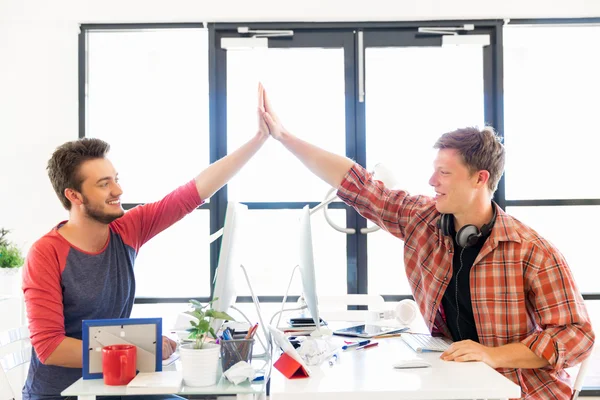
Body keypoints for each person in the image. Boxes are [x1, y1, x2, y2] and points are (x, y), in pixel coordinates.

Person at [259, 87, 595, 399]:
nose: (432, 181)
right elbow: (359, 185)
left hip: (522, 391)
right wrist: (284, 137)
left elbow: (577, 335)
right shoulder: (423, 219)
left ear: (480, 179)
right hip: (461, 380)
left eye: (444, 173)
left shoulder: (531, 250)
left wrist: (492, 355)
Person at [21, 86, 271, 400]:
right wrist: (141, 350)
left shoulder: (127, 229)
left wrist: (258, 140)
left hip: (116, 384)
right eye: (104, 184)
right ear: (74, 196)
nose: (118, 190)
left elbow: (189, 195)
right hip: (64, 393)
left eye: (115, 178)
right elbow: (50, 348)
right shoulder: (46, 253)